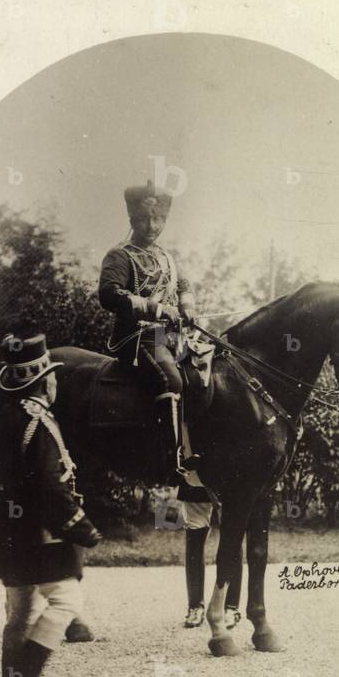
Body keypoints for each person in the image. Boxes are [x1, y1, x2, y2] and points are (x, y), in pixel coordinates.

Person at [0, 333, 101, 677]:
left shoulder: (5, 417)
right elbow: (48, 485)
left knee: (19, 613)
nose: (56, 382)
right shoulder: (39, 421)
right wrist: (80, 526)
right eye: (53, 376)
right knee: (67, 601)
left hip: (6, 523)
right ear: (44, 381)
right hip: (37, 528)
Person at [98, 180, 197, 479]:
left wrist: (187, 307)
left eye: (158, 219)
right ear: (132, 220)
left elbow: (183, 284)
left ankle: (197, 450)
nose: (152, 225)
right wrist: (157, 309)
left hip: (170, 337)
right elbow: (109, 294)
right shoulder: (120, 255)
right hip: (136, 336)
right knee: (172, 380)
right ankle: (169, 460)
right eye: (145, 219)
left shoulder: (167, 256)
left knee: (204, 375)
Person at [177, 478, 243, 630]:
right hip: (197, 478)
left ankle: (231, 607)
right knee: (194, 537)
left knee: (233, 536)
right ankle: (195, 606)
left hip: (231, 478)